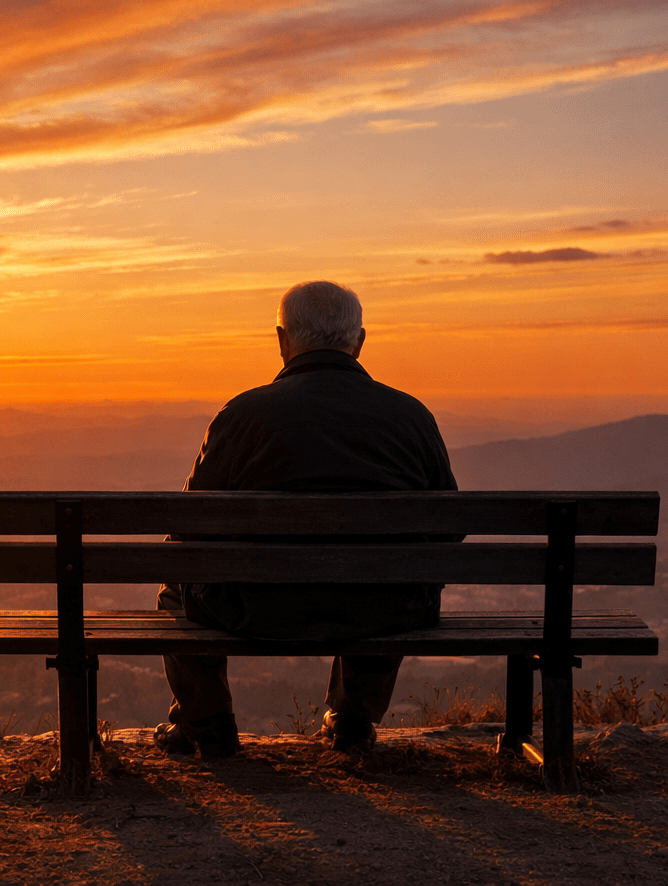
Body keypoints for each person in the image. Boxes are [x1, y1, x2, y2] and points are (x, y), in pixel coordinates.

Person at [154, 280, 457, 758]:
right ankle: (351, 720)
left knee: (176, 589)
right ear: (358, 341)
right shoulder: (410, 417)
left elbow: (192, 528)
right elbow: (449, 528)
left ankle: (206, 725)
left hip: (255, 609)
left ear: (282, 341)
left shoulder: (241, 416)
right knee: (394, 580)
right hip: (381, 611)